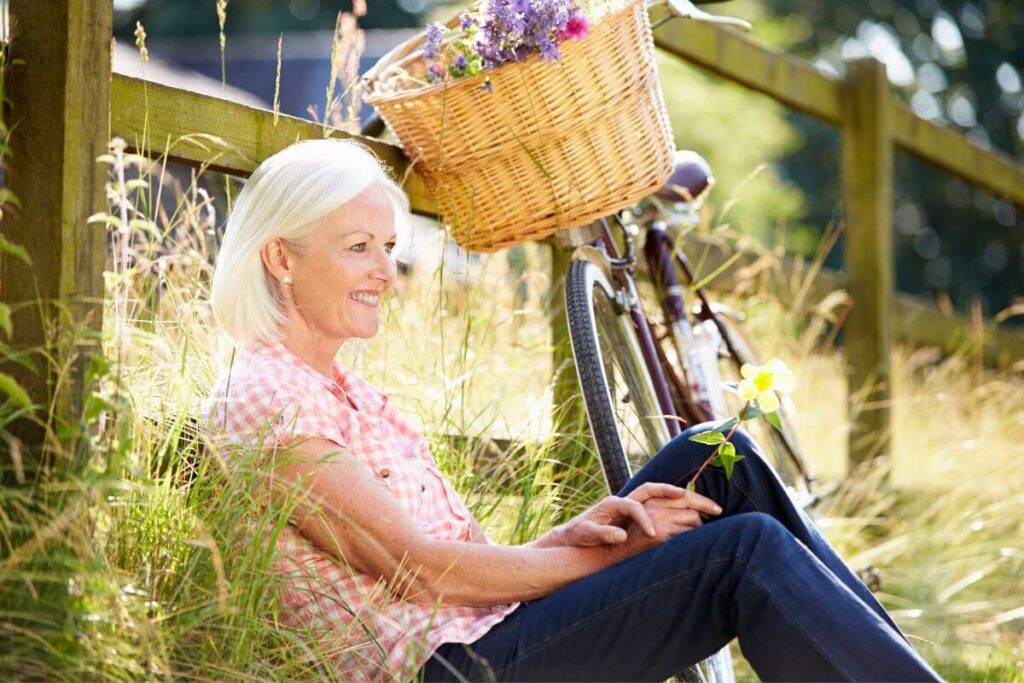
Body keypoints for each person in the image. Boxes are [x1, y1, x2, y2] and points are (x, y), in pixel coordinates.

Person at [202, 139, 940, 683]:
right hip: (460, 671)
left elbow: (460, 562)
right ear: (280, 257)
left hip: (489, 634)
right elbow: (418, 570)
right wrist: (610, 553)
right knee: (739, 553)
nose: (384, 273)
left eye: (389, 247)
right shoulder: (269, 399)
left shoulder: (341, 385)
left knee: (719, 458)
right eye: (359, 247)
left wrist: (578, 532)